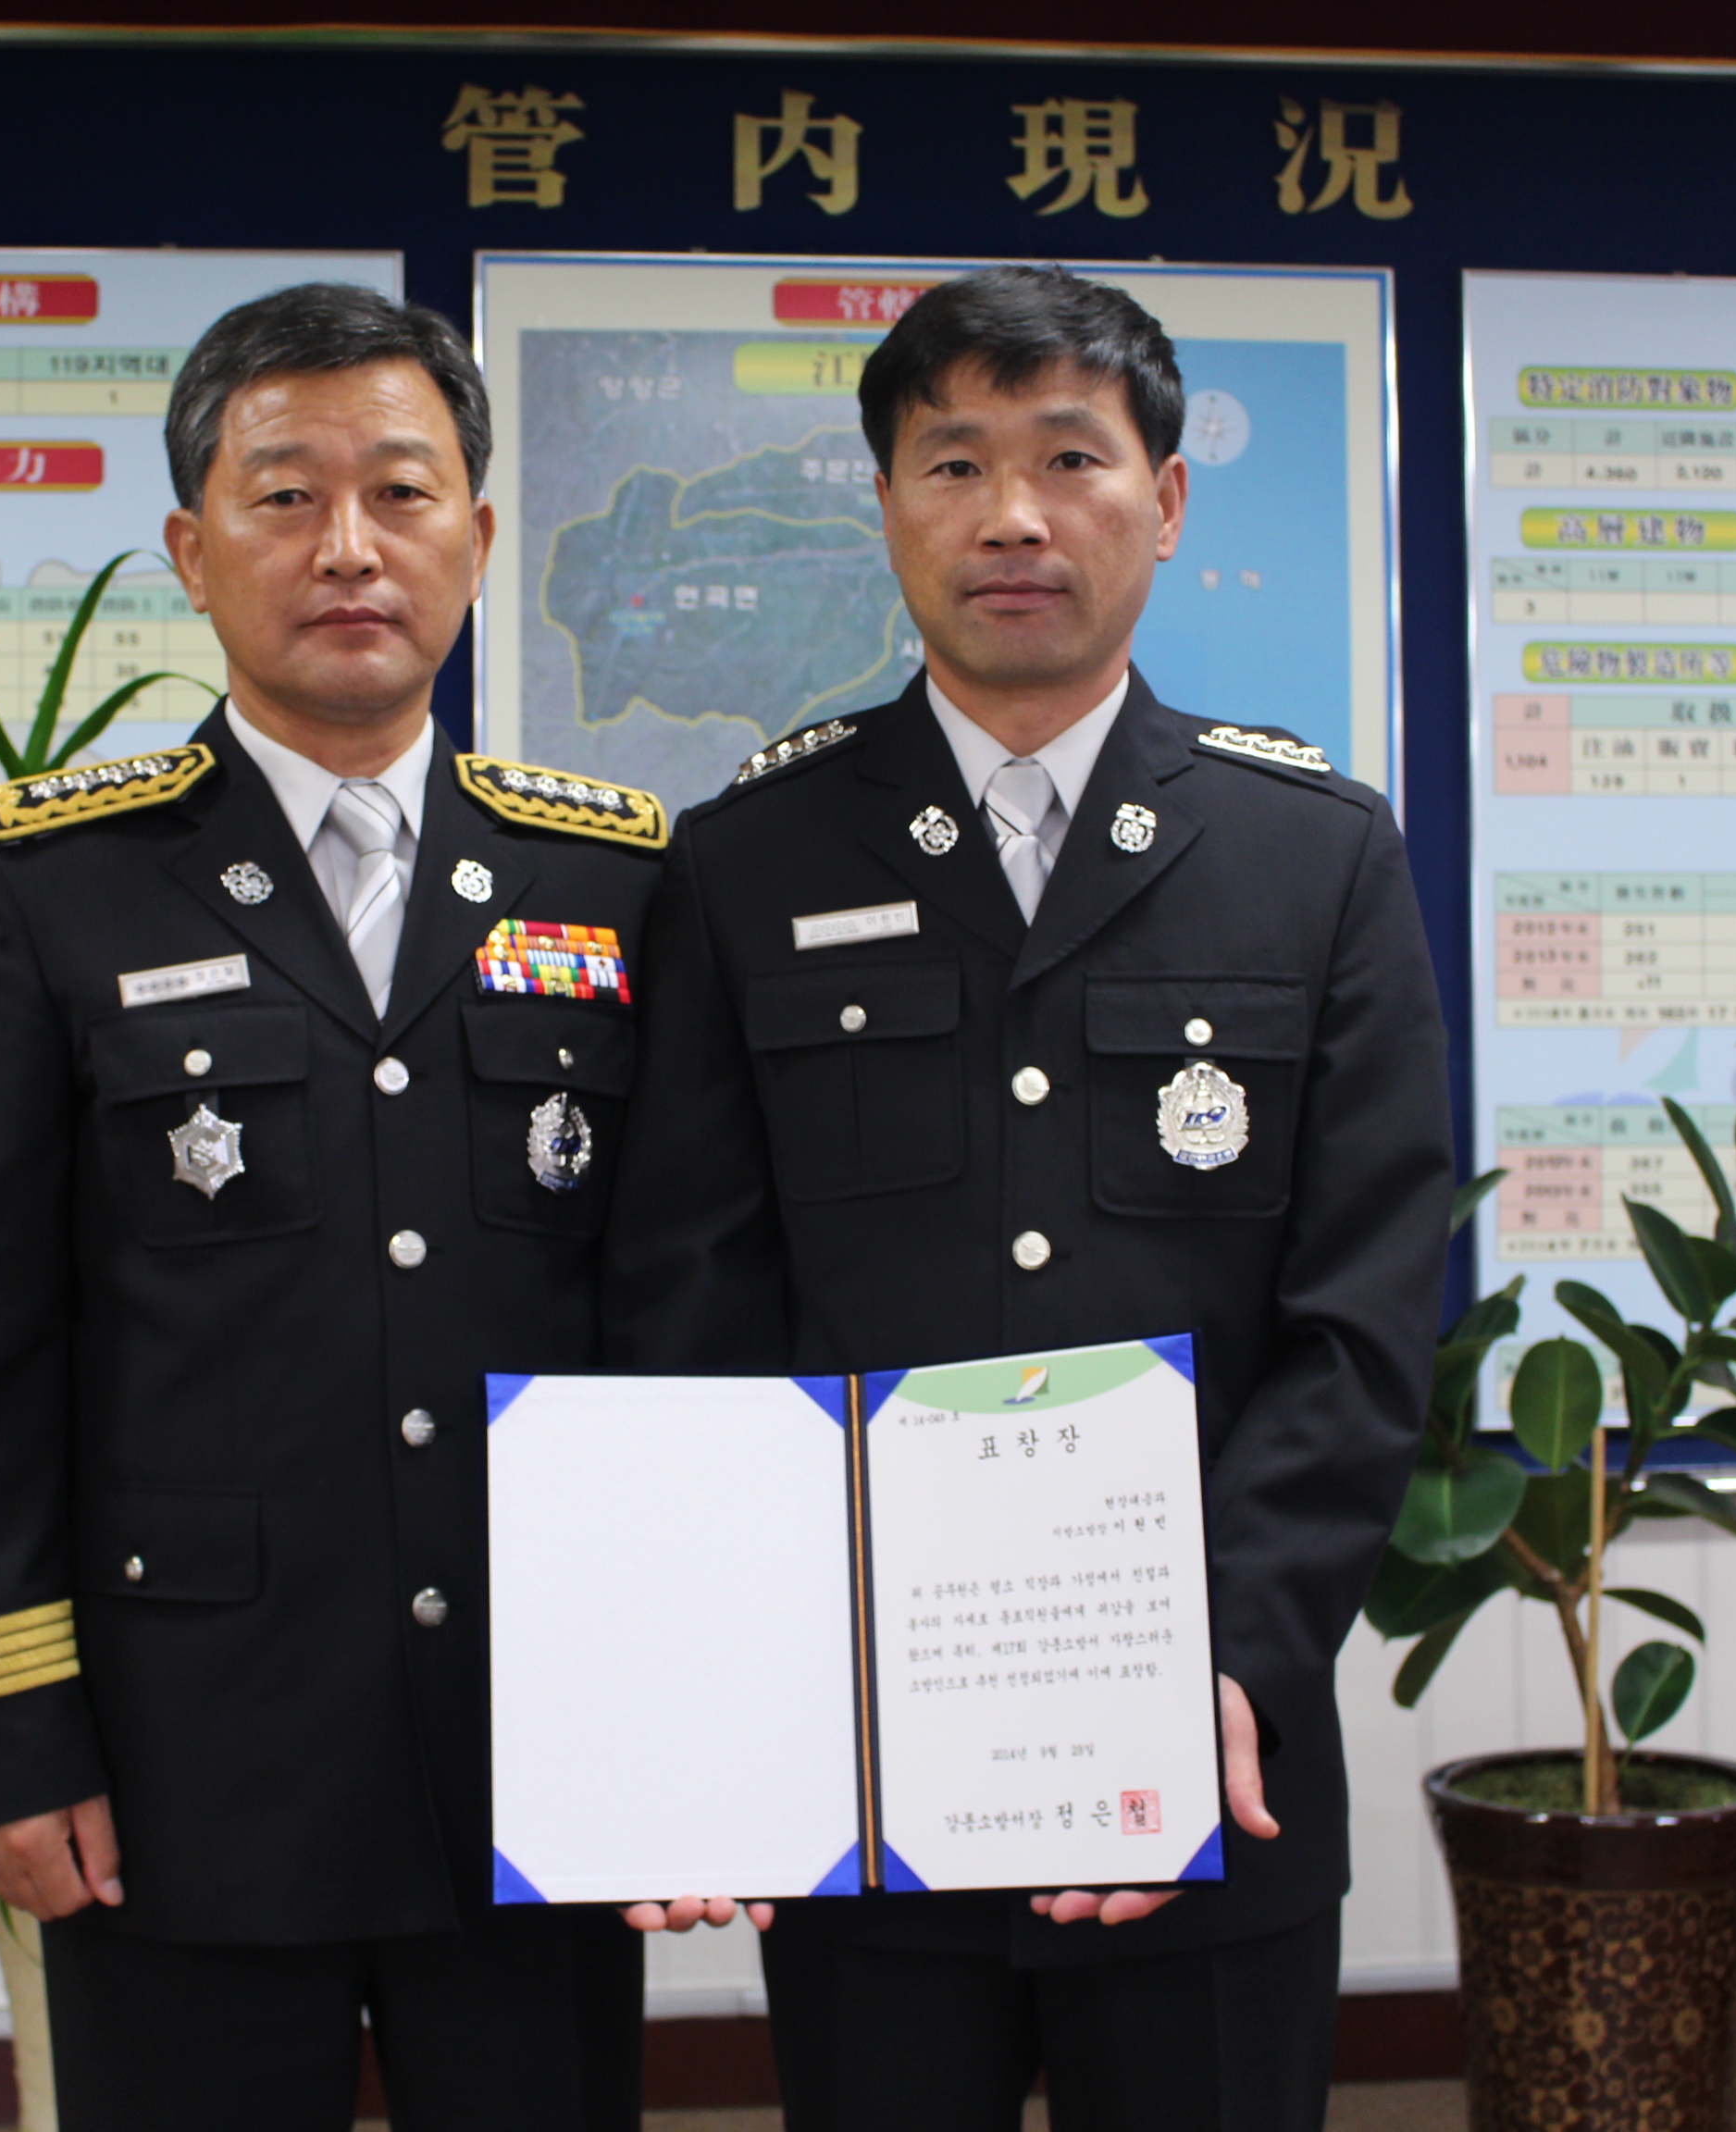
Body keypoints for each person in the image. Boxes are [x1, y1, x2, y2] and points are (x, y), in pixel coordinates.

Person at [601, 265, 1451, 2132]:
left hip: (1206, 1757)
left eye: (1071, 457)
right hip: (864, 1756)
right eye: (954, 463)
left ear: (1167, 498)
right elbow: (695, 1306)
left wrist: (1227, 1656)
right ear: (885, 505)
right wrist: (724, 1688)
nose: (1012, 516)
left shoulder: (1314, 860)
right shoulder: (749, 860)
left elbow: (1366, 1319)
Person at [0, 282, 663, 2132]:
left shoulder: (617, 876)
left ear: (478, 536)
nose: (348, 549)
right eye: (285, 496)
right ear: (192, 549)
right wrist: (6, 1726)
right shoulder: (51, 884)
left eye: (400, 493)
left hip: (538, 1740)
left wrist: (687, 1709)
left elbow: (678, 1309)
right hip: (188, 1758)